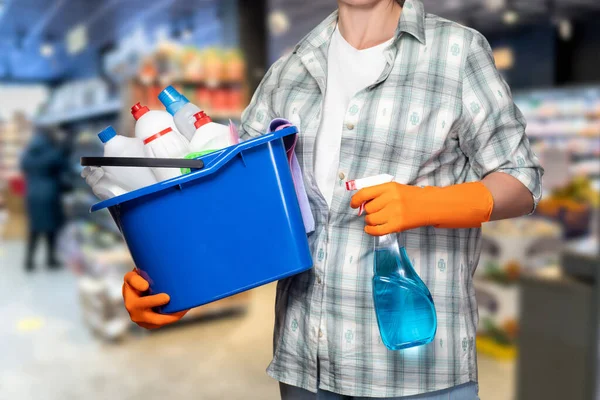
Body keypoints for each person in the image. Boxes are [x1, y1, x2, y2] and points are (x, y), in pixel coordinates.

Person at [122, 0, 543, 398]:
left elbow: (521, 179)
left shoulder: (457, 52)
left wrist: (429, 204)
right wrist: (172, 280)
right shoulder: (289, 71)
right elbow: (236, 206)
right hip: (306, 366)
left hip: (415, 370)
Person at [20, 129, 66, 271]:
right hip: (49, 193)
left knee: (34, 228)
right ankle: (50, 259)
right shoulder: (51, 152)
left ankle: (29, 261)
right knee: (51, 229)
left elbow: (23, 167)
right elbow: (61, 163)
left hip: (32, 193)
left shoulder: (27, 154)